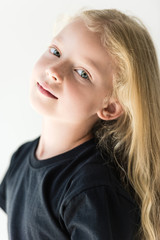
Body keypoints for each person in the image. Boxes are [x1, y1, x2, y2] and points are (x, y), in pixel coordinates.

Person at [0, 8, 160, 240]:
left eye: (82, 73)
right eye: (56, 51)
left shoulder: (93, 190)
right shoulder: (21, 157)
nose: (54, 70)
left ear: (110, 107)